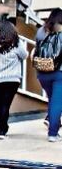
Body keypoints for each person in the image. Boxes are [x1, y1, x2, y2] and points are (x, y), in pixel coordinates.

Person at [35, 8, 62, 142]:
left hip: (42, 71)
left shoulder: (41, 30)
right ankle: (52, 133)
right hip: (59, 73)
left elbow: (36, 47)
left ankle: (54, 126)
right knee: (57, 103)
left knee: (52, 100)